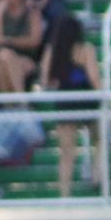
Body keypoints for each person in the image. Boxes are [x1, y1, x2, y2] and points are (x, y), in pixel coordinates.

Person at [38, 13, 101, 199]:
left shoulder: (52, 50)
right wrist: (106, 97)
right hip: (86, 100)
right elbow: (94, 77)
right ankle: (97, 177)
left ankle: (64, 195)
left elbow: (45, 81)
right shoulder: (86, 49)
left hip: (65, 101)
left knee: (66, 153)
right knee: (100, 140)